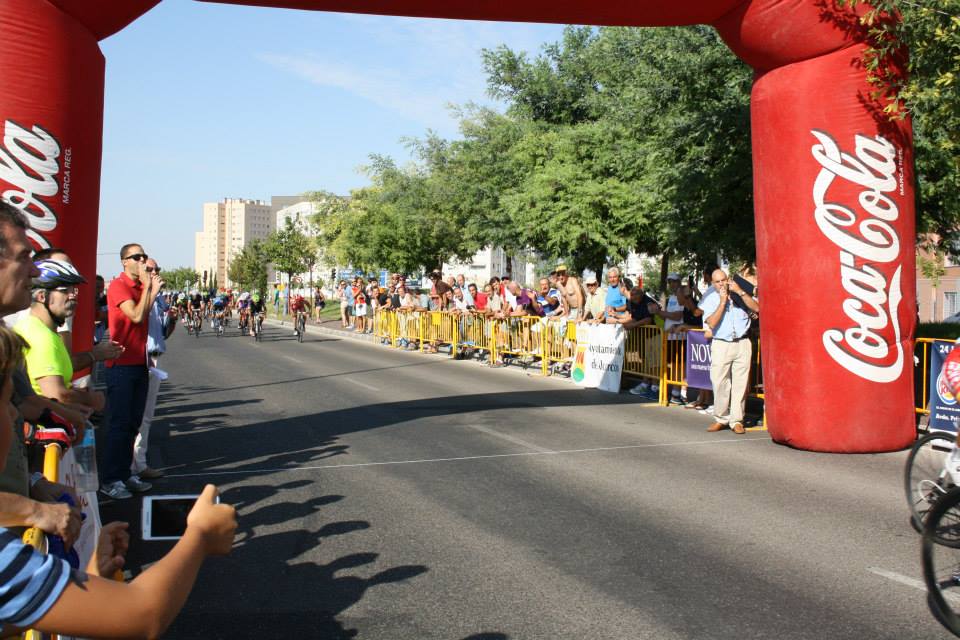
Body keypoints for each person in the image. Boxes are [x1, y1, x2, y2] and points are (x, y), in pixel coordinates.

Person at [101, 243, 161, 500]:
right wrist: (149, 288)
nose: (142, 261)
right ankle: (110, 480)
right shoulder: (119, 286)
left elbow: (144, 315)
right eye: (137, 257)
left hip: (139, 362)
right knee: (120, 424)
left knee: (133, 424)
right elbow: (136, 316)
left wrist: (150, 290)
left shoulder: (139, 286)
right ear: (125, 261)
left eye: (144, 256)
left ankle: (125, 474)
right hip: (120, 364)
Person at [699, 269, 760, 434]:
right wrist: (722, 302)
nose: (721, 284)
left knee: (741, 383)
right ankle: (721, 418)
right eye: (717, 282)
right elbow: (711, 323)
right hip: (721, 343)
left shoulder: (739, 293)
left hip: (742, 342)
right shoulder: (710, 298)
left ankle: (737, 420)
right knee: (719, 382)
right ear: (713, 284)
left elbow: (757, 308)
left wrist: (740, 292)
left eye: (723, 280)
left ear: (728, 280)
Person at [131, 258, 173, 481]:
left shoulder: (159, 298)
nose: (155, 272)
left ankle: (139, 464)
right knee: (134, 416)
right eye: (150, 269)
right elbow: (136, 319)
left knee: (146, 417)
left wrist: (172, 320)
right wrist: (152, 290)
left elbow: (162, 333)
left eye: (157, 269)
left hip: (154, 357)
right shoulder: (138, 294)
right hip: (139, 358)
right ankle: (130, 466)